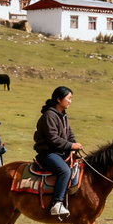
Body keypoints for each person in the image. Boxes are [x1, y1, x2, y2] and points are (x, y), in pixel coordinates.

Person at [33, 86, 83, 216]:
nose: (70, 101)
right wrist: (71, 145)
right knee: (64, 171)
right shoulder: (49, 116)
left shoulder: (63, 115)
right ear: (59, 99)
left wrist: (73, 144)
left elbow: (69, 135)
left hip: (60, 152)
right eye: (68, 98)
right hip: (48, 153)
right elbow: (53, 139)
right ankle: (57, 203)